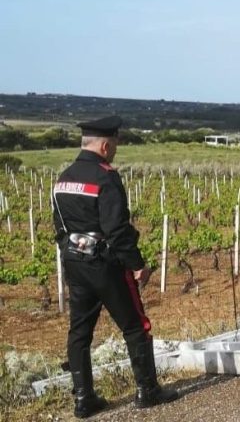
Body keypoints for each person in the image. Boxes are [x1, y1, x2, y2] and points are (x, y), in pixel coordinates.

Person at [53, 115, 178, 418]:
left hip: (73, 261)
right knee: (135, 325)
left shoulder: (64, 177)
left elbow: (59, 226)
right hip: (106, 264)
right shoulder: (106, 177)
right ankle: (147, 391)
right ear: (106, 145)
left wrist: (73, 252)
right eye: (116, 145)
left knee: (79, 331)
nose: (116, 151)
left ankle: (84, 399)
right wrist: (137, 265)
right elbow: (117, 229)